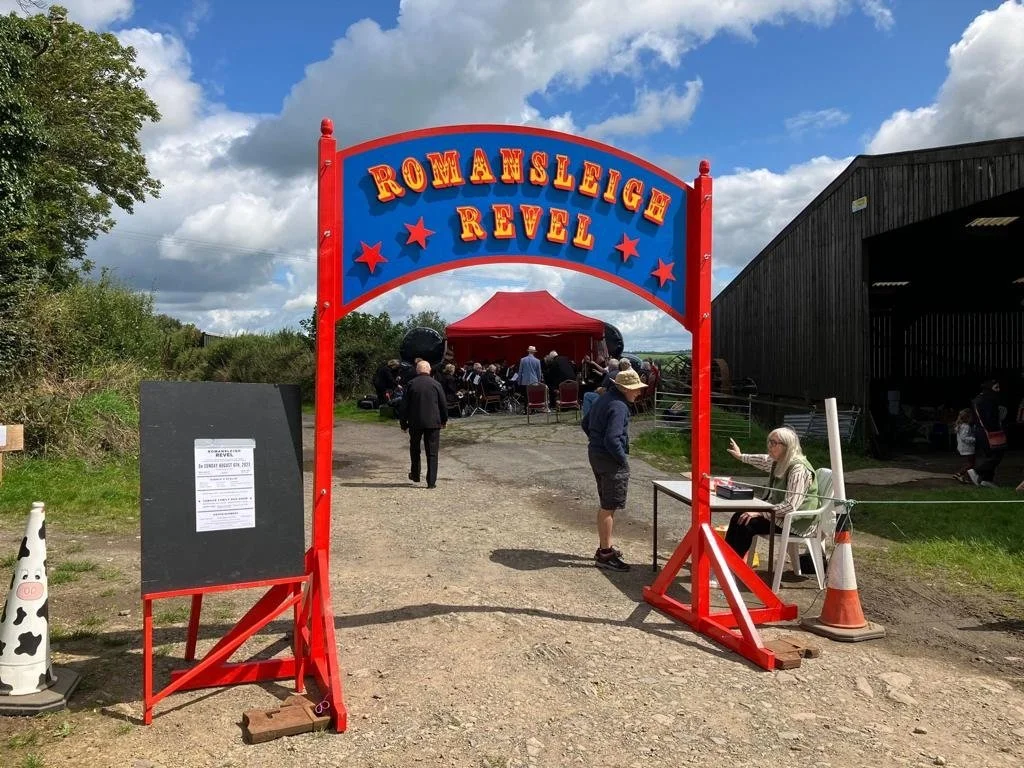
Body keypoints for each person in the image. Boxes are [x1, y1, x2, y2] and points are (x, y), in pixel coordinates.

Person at [580, 367, 647, 572]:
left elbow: (585, 422)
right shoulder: (619, 406)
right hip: (609, 459)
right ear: (624, 388)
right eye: (635, 389)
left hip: (597, 455)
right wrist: (622, 459)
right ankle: (605, 553)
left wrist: (595, 441)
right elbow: (612, 438)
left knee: (606, 503)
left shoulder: (604, 397)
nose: (638, 392)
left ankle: (605, 546)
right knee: (609, 506)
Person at [722, 428, 818, 562]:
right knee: (738, 516)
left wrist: (761, 513)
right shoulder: (779, 461)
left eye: (773, 443)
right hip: (782, 515)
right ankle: (725, 564)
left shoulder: (798, 470)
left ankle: (733, 568)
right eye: (769, 442)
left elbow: (791, 506)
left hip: (796, 522)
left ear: (787, 446)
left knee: (747, 523)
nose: (769, 446)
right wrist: (740, 456)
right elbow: (761, 460)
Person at [399, 360, 448, 489]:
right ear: (429, 370)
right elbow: (443, 404)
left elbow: (404, 406)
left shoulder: (411, 384)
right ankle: (431, 481)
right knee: (432, 452)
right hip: (433, 422)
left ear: (417, 370)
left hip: (415, 422)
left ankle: (415, 474)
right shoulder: (436, 384)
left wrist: (403, 423)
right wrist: (444, 420)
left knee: (415, 449)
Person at [968, 379, 1005, 488]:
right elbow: (990, 418)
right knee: (997, 454)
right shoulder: (989, 399)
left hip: (980, 431)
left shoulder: (977, 399)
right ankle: (977, 472)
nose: (999, 390)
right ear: (990, 387)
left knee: (990, 454)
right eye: (996, 387)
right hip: (989, 431)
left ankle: (986, 479)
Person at [952, 408, 976, 484]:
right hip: (967, 448)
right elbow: (964, 437)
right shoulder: (966, 426)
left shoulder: (960, 425)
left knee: (969, 463)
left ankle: (966, 477)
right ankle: (959, 474)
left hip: (964, 447)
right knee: (970, 463)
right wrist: (975, 439)